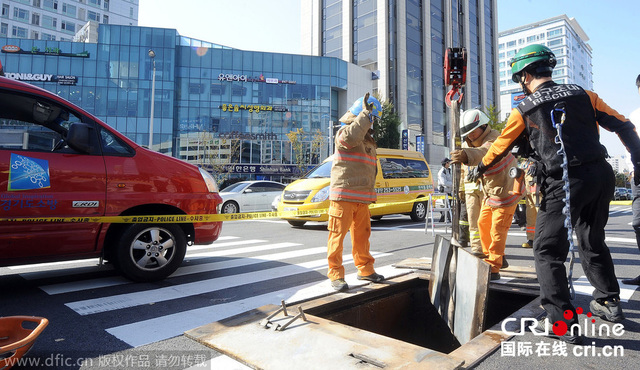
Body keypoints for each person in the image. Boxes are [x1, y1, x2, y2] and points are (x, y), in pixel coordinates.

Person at [467, 44, 640, 344]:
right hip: (600, 175)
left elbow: (499, 148)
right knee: (591, 238)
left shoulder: (525, 108)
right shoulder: (583, 94)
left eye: (519, 77)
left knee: (547, 249)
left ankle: (562, 322)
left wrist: (479, 167)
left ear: (525, 75)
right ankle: (609, 301)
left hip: (565, 181)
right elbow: (623, 124)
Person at [450, 109, 518, 279]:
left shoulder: (494, 137)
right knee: (483, 223)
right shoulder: (473, 141)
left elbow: (485, 152)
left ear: (484, 126)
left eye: (473, 132)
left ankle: (494, 266)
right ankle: (493, 257)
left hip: (505, 192)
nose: (471, 136)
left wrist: (466, 155)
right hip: (491, 193)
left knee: (497, 229)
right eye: (468, 134)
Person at [326, 93, 385, 292]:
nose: (373, 121)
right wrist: (364, 118)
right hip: (344, 196)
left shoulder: (367, 140)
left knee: (362, 236)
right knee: (337, 236)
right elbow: (350, 137)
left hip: (362, 198)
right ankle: (336, 274)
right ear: (362, 114)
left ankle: (366, 269)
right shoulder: (345, 132)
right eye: (371, 117)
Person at [623, 74, 640, 285]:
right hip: (638, 175)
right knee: (638, 223)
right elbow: (629, 145)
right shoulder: (635, 115)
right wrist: (631, 170)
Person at [521, 159, 539, 249]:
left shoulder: (538, 159)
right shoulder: (525, 162)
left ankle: (543, 239)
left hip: (538, 193)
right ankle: (531, 239)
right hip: (528, 193)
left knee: (541, 217)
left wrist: (536, 164)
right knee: (530, 217)